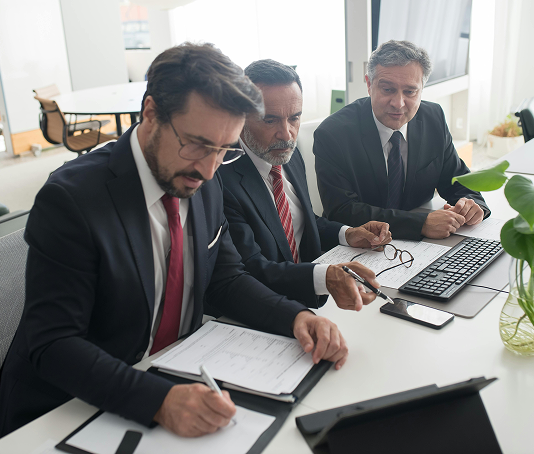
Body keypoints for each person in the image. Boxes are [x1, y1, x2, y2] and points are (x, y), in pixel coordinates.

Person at [0, 43, 348, 439]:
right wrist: (159, 400)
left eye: (224, 149)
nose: (209, 168)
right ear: (151, 113)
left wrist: (296, 317)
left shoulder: (206, 178)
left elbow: (226, 279)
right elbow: (54, 343)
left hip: (175, 369)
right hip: (68, 409)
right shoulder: (72, 199)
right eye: (197, 144)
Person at [218, 59, 391, 310]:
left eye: (294, 118)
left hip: (312, 298)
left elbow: (299, 219)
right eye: (270, 120)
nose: (286, 133)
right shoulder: (221, 177)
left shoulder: (287, 153)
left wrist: (347, 234)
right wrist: (325, 277)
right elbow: (251, 268)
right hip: (268, 307)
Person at [313, 40, 490, 241]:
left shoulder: (433, 118)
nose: (398, 104)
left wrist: (471, 205)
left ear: (422, 88)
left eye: (410, 92)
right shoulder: (333, 134)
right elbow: (342, 210)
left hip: (426, 244)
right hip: (362, 244)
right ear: (369, 85)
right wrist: (420, 224)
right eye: (387, 89)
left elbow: (457, 180)